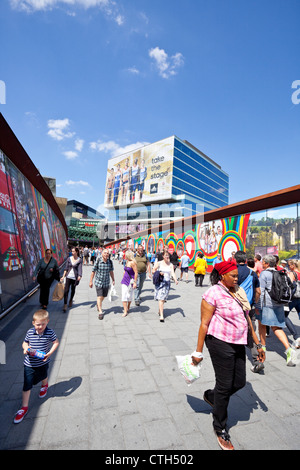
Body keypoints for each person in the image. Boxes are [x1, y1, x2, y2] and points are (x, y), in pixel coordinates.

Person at [191, 261, 265, 450]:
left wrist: (257, 344)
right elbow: (204, 324)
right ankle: (220, 427)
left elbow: (247, 318)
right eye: (232, 276)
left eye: (236, 276)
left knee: (239, 382)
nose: (236, 278)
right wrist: (198, 352)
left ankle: (212, 396)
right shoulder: (212, 293)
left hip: (238, 341)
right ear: (222, 275)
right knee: (225, 385)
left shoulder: (237, 290)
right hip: (219, 342)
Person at [14, 309, 59, 424]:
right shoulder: (30, 332)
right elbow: (25, 342)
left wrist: (50, 353)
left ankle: (45, 385)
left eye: (43, 324)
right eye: (38, 324)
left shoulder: (50, 332)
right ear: (33, 323)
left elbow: (56, 342)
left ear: (47, 322)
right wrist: (25, 348)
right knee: (27, 384)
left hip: (43, 362)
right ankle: (24, 407)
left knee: (43, 375)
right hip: (29, 363)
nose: (40, 327)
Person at [259, 255, 297, 366]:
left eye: (263, 262)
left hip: (267, 305)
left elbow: (261, 291)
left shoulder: (264, 274)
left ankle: (263, 348)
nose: (262, 263)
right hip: (279, 304)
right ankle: (289, 349)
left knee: (262, 324)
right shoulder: (280, 272)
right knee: (276, 327)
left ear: (266, 263)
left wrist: (258, 306)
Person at [235, 251, 262, 373]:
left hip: (235, 307)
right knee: (251, 332)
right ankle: (257, 360)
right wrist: (254, 303)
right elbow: (258, 292)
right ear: (245, 260)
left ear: (235, 259)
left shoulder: (233, 272)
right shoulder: (252, 272)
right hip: (249, 307)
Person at [89, 248, 115, 320]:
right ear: (102, 254)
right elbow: (93, 271)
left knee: (104, 296)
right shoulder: (98, 260)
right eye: (105, 253)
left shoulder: (110, 262)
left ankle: (98, 304)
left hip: (106, 282)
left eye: (107, 253)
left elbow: (111, 271)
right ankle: (100, 311)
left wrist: (113, 279)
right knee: (99, 296)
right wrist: (91, 281)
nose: (106, 254)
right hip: (98, 281)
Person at [153, 251, 178, 322]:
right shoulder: (159, 263)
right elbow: (153, 270)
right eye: (166, 255)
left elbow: (172, 273)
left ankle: (160, 310)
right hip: (160, 283)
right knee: (161, 298)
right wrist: (159, 272)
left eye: (168, 256)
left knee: (163, 299)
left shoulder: (170, 264)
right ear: (163, 256)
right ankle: (161, 315)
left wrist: (175, 280)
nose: (167, 257)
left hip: (167, 283)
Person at [60, 247, 83, 313]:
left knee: (73, 290)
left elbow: (80, 269)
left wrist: (79, 276)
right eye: (72, 251)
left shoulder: (79, 260)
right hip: (68, 277)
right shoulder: (69, 259)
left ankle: (70, 300)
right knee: (66, 291)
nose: (72, 253)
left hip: (75, 277)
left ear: (77, 252)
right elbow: (66, 268)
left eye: (73, 251)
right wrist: (63, 276)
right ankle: (65, 304)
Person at [286, 259, 300, 349]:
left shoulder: (292, 273)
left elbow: (289, 285)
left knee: (284, 316)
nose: (288, 267)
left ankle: (296, 336)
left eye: (289, 265)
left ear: (293, 266)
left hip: (293, 298)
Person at [121, 250, 138, 317]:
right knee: (124, 296)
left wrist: (135, 282)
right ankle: (125, 311)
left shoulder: (133, 263)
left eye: (126, 255)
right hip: (125, 280)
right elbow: (125, 271)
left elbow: (136, 273)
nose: (124, 256)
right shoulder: (127, 261)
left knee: (129, 296)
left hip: (130, 281)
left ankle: (128, 306)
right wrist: (122, 278)